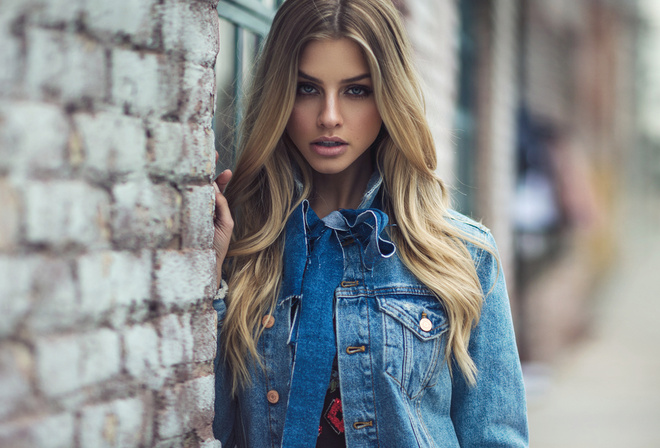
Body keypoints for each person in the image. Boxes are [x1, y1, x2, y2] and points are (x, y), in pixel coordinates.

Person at [211, 0, 529, 446]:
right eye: (306, 88)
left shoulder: (462, 255)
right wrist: (210, 280)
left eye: (356, 90)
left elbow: (495, 438)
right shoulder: (248, 249)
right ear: (280, 95)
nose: (329, 116)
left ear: (388, 96)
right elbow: (212, 431)